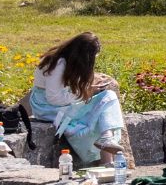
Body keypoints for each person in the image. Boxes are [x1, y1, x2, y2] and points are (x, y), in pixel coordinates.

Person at [27, 32, 127, 167]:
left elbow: (66, 89)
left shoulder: (67, 62)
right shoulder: (58, 63)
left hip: (62, 103)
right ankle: (107, 158)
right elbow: (54, 98)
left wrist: (89, 87)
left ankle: (106, 141)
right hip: (47, 107)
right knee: (100, 109)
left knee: (107, 98)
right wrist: (85, 93)